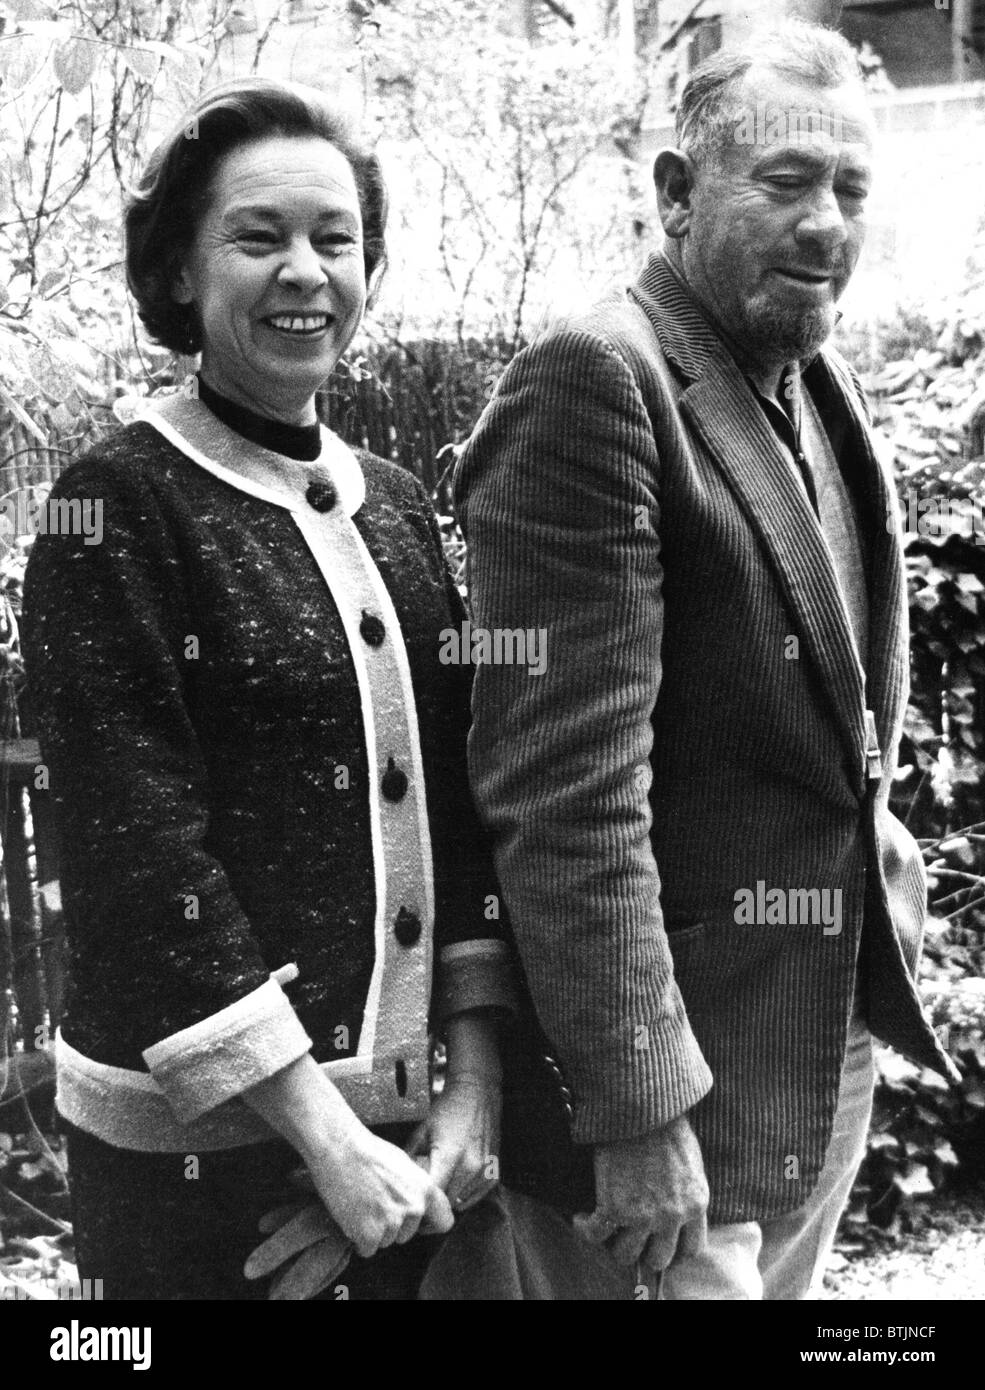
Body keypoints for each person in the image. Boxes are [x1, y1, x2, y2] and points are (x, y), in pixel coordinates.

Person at [454, 20, 959, 1301]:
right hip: (667, 1117)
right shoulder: (594, 382)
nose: (826, 224)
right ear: (676, 191)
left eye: (849, 189)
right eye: (784, 182)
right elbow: (562, 796)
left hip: (808, 1051)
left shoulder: (807, 375)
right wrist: (634, 1112)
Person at [23, 77, 516, 1301]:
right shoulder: (114, 509)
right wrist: (324, 1136)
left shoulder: (397, 504)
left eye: (334, 239)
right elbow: (138, 860)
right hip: (198, 1175)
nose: (306, 270)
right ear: (182, 273)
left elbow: (457, 810)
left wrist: (474, 1084)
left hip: (402, 1154)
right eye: (259, 237)